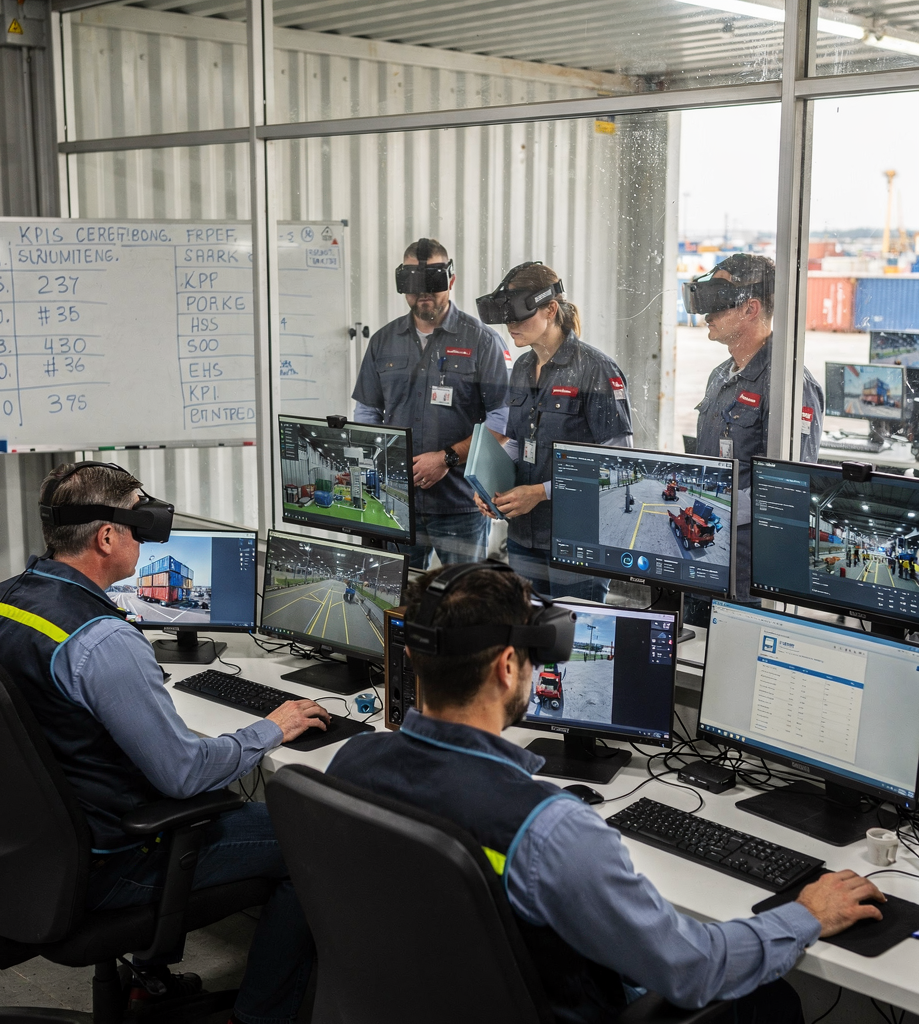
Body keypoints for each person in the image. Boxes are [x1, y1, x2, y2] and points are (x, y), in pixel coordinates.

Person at [328, 563, 886, 1024]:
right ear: (506, 667)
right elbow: (693, 969)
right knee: (771, 1002)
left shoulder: (351, 763)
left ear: (412, 658)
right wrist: (806, 913)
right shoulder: (549, 830)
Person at [0, 462, 325, 1024]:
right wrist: (274, 725)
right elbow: (184, 776)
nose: (143, 541)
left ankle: (154, 978)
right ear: (106, 537)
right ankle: (262, 1015)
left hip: (16, 854)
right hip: (109, 864)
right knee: (313, 842)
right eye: (136, 527)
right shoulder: (102, 641)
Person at [473, 262, 632, 602]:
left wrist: (541, 492)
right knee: (531, 637)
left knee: (571, 640)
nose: (510, 325)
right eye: (506, 317)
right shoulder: (522, 369)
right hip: (524, 538)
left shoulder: (596, 369)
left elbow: (618, 463)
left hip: (576, 539)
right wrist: (491, 488)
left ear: (551, 309)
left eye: (518, 315)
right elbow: (518, 441)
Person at [352, 237, 510, 568]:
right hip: (395, 506)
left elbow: (504, 418)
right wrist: (380, 465)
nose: (424, 293)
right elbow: (367, 412)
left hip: (460, 505)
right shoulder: (383, 341)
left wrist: (447, 458)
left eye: (434, 281)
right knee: (394, 602)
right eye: (412, 282)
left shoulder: (482, 341)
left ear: (451, 280)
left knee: (463, 602)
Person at [688, 254, 823, 601]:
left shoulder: (789, 386)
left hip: (748, 575)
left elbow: (785, 490)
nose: (707, 315)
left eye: (718, 301)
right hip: (702, 552)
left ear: (750, 308)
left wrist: (709, 510)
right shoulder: (720, 375)